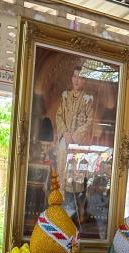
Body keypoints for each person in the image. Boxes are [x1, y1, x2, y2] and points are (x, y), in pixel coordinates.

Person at [56, 65, 94, 213]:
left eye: (81, 77)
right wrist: (65, 132)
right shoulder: (65, 96)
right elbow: (59, 115)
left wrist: (76, 136)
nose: (77, 80)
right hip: (65, 140)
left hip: (79, 144)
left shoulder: (87, 99)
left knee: (76, 175)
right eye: (75, 76)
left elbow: (89, 120)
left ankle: (74, 209)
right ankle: (60, 206)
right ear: (72, 78)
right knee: (61, 172)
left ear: (84, 81)